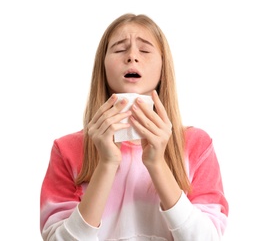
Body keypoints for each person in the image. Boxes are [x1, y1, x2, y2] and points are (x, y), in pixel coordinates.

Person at [40, 13, 229, 241]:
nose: (131, 57)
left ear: (163, 67)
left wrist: (157, 164)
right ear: (103, 66)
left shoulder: (197, 145)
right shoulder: (66, 149)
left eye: (145, 50)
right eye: (120, 49)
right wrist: (106, 164)